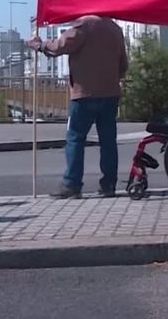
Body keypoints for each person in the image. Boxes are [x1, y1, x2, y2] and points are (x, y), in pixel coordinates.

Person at [26, 16, 128, 199]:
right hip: (110, 94)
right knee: (108, 141)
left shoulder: (84, 25)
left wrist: (40, 45)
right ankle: (109, 185)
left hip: (84, 94)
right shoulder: (115, 29)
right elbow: (124, 65)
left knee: (75, 138)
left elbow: (60, 46)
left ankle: (72, 185)